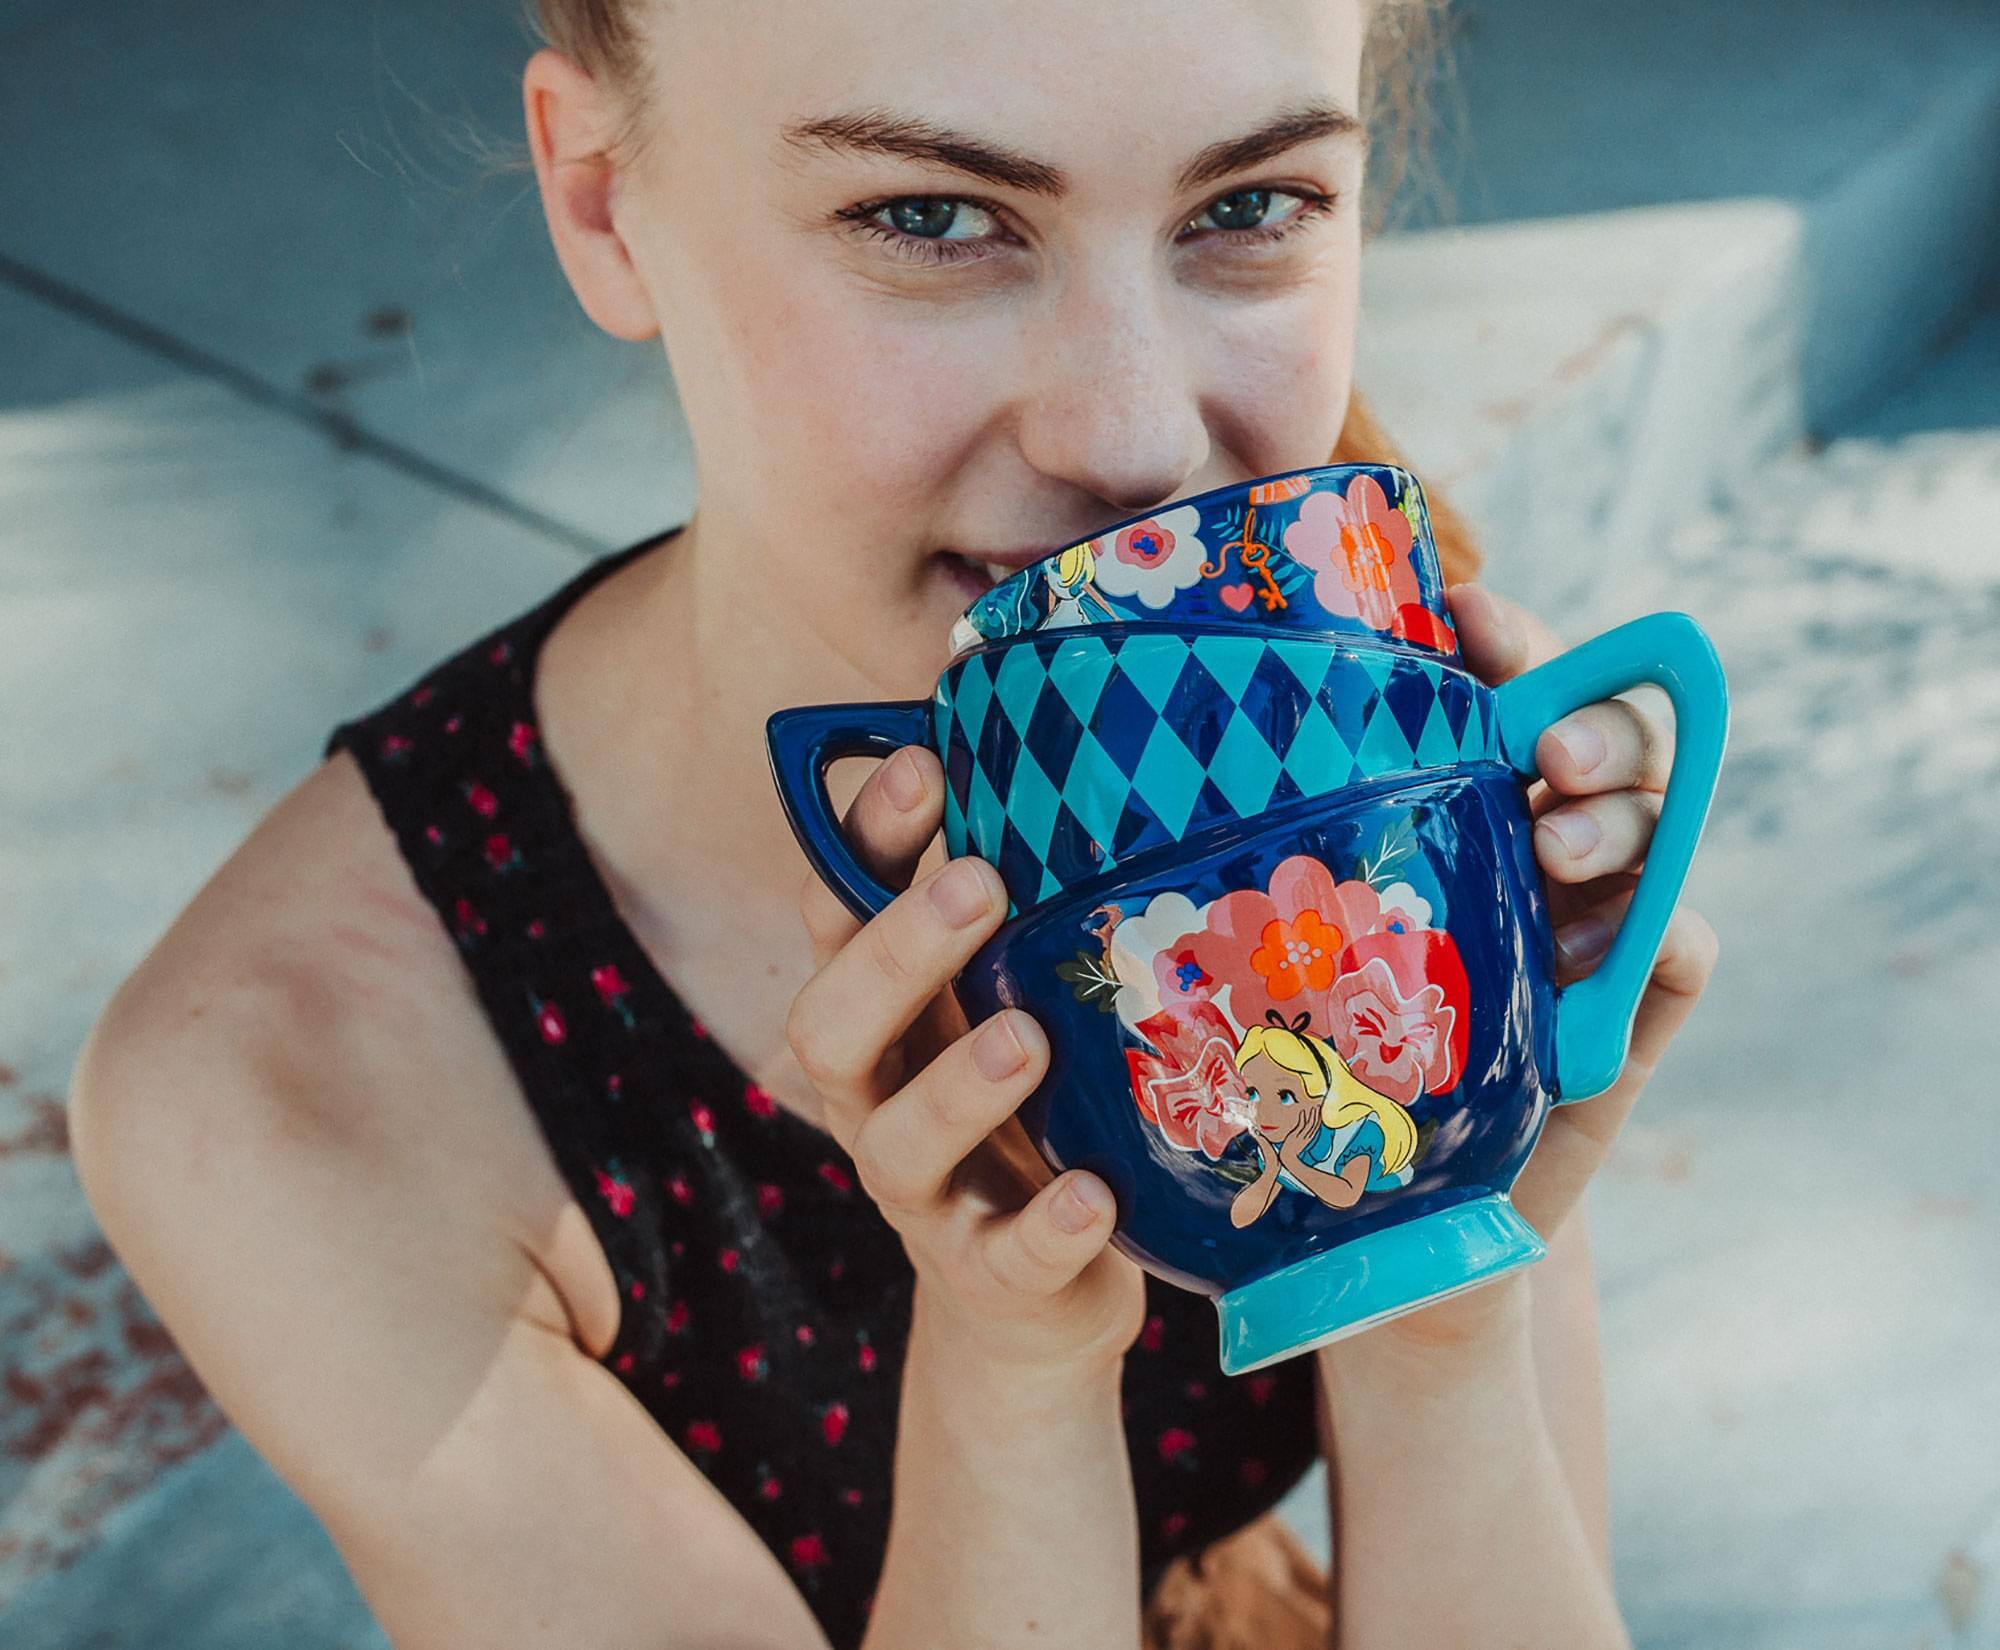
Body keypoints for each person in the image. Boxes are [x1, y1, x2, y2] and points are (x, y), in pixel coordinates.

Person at [66, 0, 1718, 1645]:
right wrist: (1011, 1380)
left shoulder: (1357, 710)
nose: (1136, 439)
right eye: (928, 217)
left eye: (1247, 206)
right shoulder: (282, 1088)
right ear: (600, 202)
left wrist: (1450, 1272)